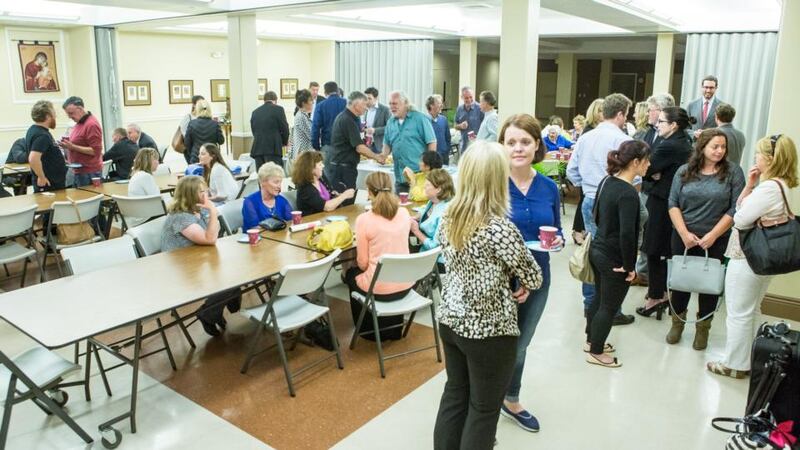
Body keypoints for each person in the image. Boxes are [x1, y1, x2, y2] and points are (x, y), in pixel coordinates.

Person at [433, 141, 542, 450]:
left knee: (455, 394)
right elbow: (534, 275)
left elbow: (468, 262)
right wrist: (515, 279)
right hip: (488, 330)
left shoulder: (448, 217)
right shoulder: (499, 228)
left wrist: (503, 274)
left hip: (451, 319)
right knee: (483, 409)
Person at [708, 135, 798, 378]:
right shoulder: (782, 185)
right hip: (761, 260)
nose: (756, 157)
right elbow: (743, 206)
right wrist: (749, 184)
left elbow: (739, 217)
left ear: (770, 158)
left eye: (759, 153)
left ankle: (734, 364)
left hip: (746, 257)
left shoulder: (770, 188)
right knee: (751, 310)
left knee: (738, 313)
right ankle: (747, 359)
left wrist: (749, 196)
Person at [497, 113, 561, 432]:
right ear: (502, 147)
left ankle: (510, 398)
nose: (518, 148)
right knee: (496, 344)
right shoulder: (493, 186)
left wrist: (558, 240)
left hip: (539, 278)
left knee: (521, 344)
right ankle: (484, 401)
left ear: (538, 145)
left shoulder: (549, 188)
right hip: (498, 283)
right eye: (511, 142)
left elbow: (557, 231)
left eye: (525, 142)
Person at [666, 129, 745, 349]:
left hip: (716, 238)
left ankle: (703, 329)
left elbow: (735, 208)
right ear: (702, 147)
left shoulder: (733, 172)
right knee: (680, 283)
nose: (720, 151)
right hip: (683, 237)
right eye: (715, 146)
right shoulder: (684, 171)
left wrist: (712, 235)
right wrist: (683, 233)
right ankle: (677, 323)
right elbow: (673, 203)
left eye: (723, 147)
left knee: (709, 286)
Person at [567, 93, 636, 325]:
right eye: (626, 114)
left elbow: (571, 171)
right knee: (613, 254)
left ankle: (590, 303)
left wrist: (586, 187)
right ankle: (610, 308)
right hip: (614, 201)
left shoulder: (586, 137)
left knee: (592, 250)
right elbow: (632, 176)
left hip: (589, 199)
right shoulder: (622, 140)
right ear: (620, 114)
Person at [586, 140, 651, 368]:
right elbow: (627, 234)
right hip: (614, 257)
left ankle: (591, 340)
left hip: (598, 248)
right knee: (609, 306)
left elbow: (596, 215)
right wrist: (629, 266)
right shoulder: (628, 194)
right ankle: (596, 351)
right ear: (635, 162)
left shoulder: (607, 181)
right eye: (646, 160)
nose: (649, 164)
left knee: (598, 297)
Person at [161, 175, 238, 337]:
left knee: (236, 273)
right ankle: (209, 313)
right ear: (191, 195)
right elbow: (210, 239)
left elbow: (212, 236)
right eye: (202, 191)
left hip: (198, 260)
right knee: (229, 279)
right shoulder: (180, 216)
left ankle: (216, 309)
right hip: (180, 270)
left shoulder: (196, 211)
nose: (207, 194)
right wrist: (213, 211)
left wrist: (209, 212)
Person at [637, 107, 694, 319]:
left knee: (654, 249)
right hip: (671, 200)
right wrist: (653, 175)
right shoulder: (684, 141)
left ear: (673, 125)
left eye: (661, 121)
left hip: (661, 202)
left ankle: (656, 296)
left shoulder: (669, 145)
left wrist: (651, 175)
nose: (656, 124)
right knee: (662, 250)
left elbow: (644, 168)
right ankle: (660, 294)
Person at [345, 172, 414, 341]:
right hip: (405, 284)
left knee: (350, 274)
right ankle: (392, 330)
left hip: (378, 289)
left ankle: (367, 331)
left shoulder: (364, 220)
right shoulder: (404, 213)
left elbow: (362, 264)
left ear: (369, 192)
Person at [328, 91, 383, 202]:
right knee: (345, 202)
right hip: (343, 169)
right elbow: (359, 147)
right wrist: (377, 157)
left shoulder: (349, 118)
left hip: (342, 166)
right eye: (364, 105)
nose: (366, 108)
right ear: (356, 104)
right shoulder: (348, 120)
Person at [380, 91, 437, 193]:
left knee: (417, 207)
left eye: (395, 103)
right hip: (400, 177)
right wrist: (383, 155)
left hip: (419, 176)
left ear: (405, 103)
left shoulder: (420, 118)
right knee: (401, 207)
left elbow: (432, 142)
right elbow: (387, 143)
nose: (392, 107)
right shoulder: (390, 122)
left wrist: (429, 165)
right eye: (390, 104)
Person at [409, 168, 455, 263]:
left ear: (438, 189)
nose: (424, 187)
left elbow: (435, 247)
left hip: (435, 261)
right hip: (424, 253)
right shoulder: (434, 201)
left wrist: (416, 231)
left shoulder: (445, 213)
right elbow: (424, 210)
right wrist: (418, 216)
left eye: (427, 185)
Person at [292, 151, 354, 216]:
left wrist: (336, 196)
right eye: (320, 164)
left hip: (325, 217)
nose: (323, 166)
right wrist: (344, 195)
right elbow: (326, 207)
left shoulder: (321, 179)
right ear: (310, 168)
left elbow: (330, 195)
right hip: (312, 221)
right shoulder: (305, 188)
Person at [62, 96, 103, 187]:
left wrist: (72, 147)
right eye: (68, 114)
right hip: (79, 170)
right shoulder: (80, 123)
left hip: (89, 172)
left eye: (71, 113)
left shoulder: (91, 124)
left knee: (88, 199)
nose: (69, 116)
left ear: (80, 109)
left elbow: (96, 151)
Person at [26, 100, 66, 192]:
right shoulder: (42, 135)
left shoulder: (35, 130)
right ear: (48, 116)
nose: (55, 117)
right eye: (54, 114)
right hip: (49, 183)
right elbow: (33, 158)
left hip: (52, 181)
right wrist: (41, 177)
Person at [242, 162, 292, 230]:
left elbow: (291, 222)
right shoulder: (250, 202)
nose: (279, 186)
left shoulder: (282, 201)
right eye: (276, 182)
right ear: (263, 182)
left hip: (279, 238)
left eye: (280, 182)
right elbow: (254, 228)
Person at [250, 91, 289, 169]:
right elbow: (285, 128)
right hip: (273, 149)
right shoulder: (279, 109)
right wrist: (284, 143)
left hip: (258, 149)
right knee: (274, 175)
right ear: (275, 100)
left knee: (262, 177)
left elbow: (254, 130)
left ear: (264, 100)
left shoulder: (255, 112)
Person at [311, 81, 346, 159]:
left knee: (327, 170)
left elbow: (315, 128)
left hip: (328, 145)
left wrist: (316, 147)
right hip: (346, 147)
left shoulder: (321, 106)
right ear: (338, 91)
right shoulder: (347, 104)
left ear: (325, 92)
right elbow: (357, 125)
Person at [184, 99, 224, 165]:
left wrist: (193, 152)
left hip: (196, 157)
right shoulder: (215, 124)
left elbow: (187, 143)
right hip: (212, 158)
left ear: (197, 110)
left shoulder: (192, 124)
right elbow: (221, 141)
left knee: (196, 175)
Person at [715, 103, 746, 168]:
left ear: (716, 116)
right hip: (735, 174)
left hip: (718, 174)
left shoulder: (714, 133)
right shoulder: (741, 135)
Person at [454, 86, 484, 152]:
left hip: (477, 146)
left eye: (471, 97)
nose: (469, 100)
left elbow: (485, 126)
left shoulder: (480, 108)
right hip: (464, 145)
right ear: (462, 97)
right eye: (466, 98)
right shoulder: (459, 109)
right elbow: (455, 125)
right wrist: (460, 126)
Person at [426, 94, 452, 165]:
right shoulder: (424, 121)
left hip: (444, 156)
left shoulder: (443, 119)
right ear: (431, 105)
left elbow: (448, 137)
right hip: (431, 157)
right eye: (439, 103)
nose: (441, 105)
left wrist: (447, 150)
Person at [364, 87, 391, 154]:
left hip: (380, 146)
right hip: (368, 145)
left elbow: (390, 128)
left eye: (369, 98)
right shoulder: (365, 110)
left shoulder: (385, 110)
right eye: (365, 98)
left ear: (376, 98)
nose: (367, 101)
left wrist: (375, 130)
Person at [291, 89, 314, 160]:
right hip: (303, 154)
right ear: (304, 103)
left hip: (304, 153)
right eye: (310, 100)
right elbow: (311, 135)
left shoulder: (302, 115)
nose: (312, 102)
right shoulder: (301, 116)